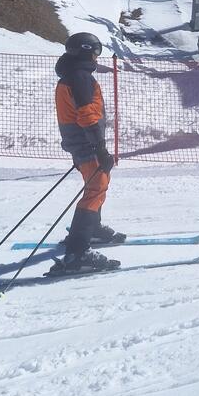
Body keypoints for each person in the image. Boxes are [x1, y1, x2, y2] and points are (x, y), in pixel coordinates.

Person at [52, 32, 125, 274]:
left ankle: (92, 230)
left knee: (97, 185)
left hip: (79, 141)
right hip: (86, 142)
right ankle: (77, 253)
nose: (96, 57)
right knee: (96, 188)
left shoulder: (72, 76)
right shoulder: (80, 77)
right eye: (95, 51)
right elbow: (87, 114)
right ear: (86, 51)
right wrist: (100, 148)